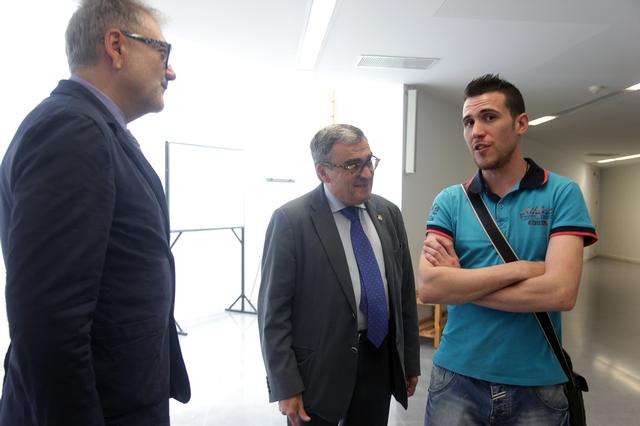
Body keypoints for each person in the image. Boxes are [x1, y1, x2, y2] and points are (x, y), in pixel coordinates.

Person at [0, 0, 190, 424]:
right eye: (163, 52)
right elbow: (49, 322)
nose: (171, 71)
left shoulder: (93, 129)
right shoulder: (72, 131)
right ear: (116, 46)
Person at [418, 74, 597, 425]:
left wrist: (461, 284)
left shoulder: (562, 193)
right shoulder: (450, 201)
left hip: (537, 383)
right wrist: (521, 269)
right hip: (456, 378)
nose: (476, 131)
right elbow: (430, 288)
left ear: (521, 123)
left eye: (489, 117)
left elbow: (560, 293)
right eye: (468, 122)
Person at [258, 124, 420, 426]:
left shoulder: (388, 214)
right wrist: (285, 384)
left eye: (369, 161)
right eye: (352, 165)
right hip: (317, 370)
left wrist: (408, 361)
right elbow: (273, 313)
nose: (367, 173)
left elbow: (404, 293)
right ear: (323, 172)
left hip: (378, 359)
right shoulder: (291, 221)